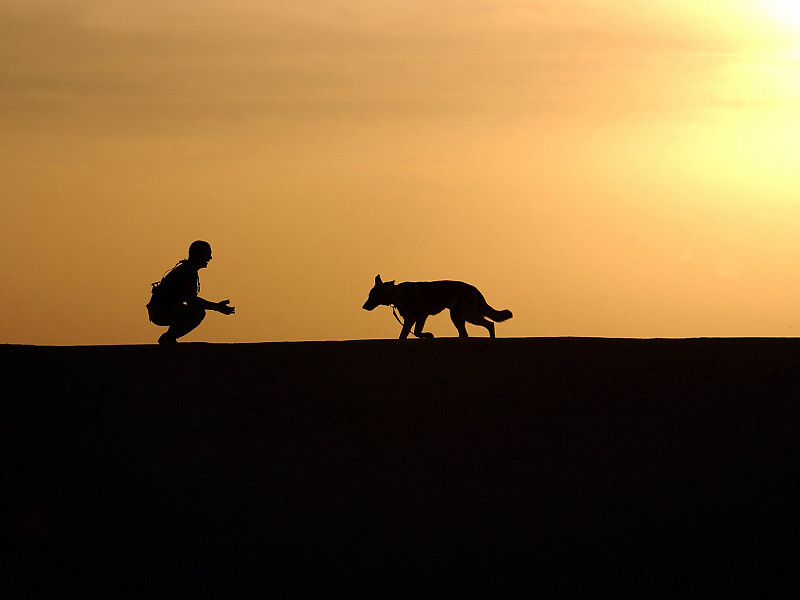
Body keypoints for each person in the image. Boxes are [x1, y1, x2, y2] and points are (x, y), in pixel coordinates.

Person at [147, 240, 235, 344]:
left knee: (194, 311)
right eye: (208, 254)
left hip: (162, 309)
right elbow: (192, 300)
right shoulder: (188, 271)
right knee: (197, 313)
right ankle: (168, 338)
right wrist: (217, 307)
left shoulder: (188, 269)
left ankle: (169, 338)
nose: (210, 258)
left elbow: (190, 300)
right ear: (198, 254)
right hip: (161, 310)